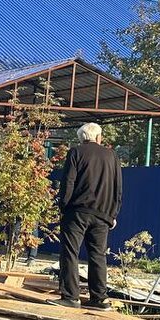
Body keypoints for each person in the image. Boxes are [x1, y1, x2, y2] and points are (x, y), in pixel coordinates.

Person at [52, 122, 122, 309]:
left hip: (78, 211)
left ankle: (70, 297)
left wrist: (64, 207)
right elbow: (118, 188)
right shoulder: (112, 156)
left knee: (70, 252)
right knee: (98, 255)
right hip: (103, 215)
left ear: (81, 138)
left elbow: (68, 182)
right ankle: (99, 299)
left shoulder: (76, 152)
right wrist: (112, 214)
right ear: (99, 138)